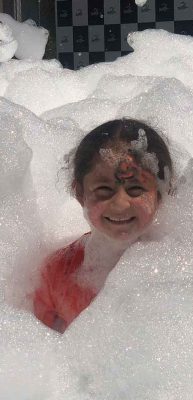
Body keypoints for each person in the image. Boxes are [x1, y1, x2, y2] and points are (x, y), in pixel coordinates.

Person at [33, 119, 173, 333]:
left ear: (162, 194)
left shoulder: (180, 267)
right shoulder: (56, 273)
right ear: (80, 193)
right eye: (104, 190)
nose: (120, 204)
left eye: (136, 189)